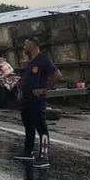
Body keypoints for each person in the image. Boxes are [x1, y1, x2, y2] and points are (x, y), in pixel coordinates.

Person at [13, 36, 62, 168]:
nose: (24, 47)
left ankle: (44, 156)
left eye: (26, 45)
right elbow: (26, 79)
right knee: (28, 124)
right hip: (27, 99)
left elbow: (57, 74)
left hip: (36, 99)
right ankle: (27, 151)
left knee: (40, 125)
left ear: (33, 45)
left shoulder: (43, 59)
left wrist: (45, 89)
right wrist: (21, 90)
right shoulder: (30, 62)